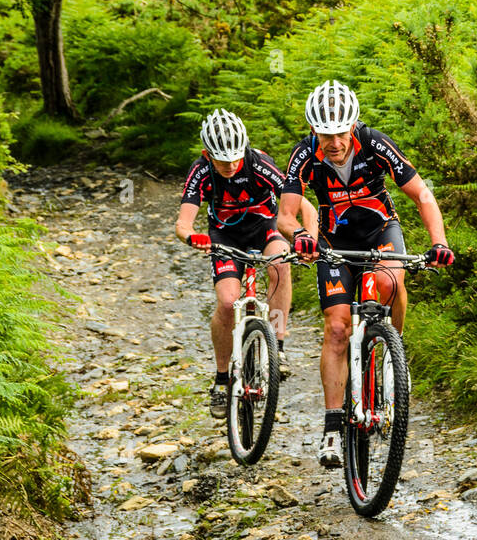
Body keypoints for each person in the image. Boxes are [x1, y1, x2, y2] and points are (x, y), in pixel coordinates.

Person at [277, 79, 455, 468]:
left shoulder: (374, 143)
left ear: (353, 126)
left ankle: (394, 349)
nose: (334, 142)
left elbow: (422, 194)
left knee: (391, 282)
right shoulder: (304, 155)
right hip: (334, 242)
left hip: (380, 231)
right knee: (338, 329)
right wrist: (302, 235)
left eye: (341, 132)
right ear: (314, 131)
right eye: (325, 135)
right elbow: (285, 216)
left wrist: (439, 241)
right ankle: (331, 428)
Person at [175, 107, 309, 419]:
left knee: (279, 263)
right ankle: (222, 380)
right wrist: (192, 237)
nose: (231, 165)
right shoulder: (201, 171)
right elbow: (183, 224)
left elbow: (303, 205)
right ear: (207, 155)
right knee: (226, 303)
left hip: (266, 229)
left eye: (235, 157)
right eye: (222, 160)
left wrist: (308, 238)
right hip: (224, 237)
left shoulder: (259, 163)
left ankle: (278, 344)